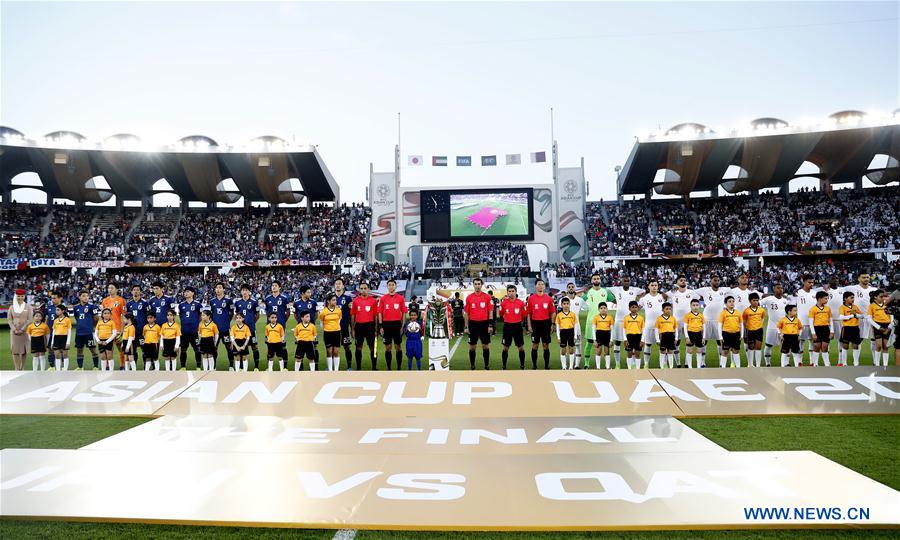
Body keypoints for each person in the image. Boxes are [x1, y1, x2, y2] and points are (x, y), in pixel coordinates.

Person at [609, 276, 644, 366]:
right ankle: (617, 364)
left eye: (628, 281)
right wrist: (614, 300)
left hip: (631, 321)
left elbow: (644, 292)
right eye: (625, 281)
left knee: (631, 342)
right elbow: (605, 291)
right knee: (617, 342)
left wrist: (638, 304)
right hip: (619, 320)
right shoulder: (616, 289)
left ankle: (632, 363)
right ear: (622, 281)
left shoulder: (634, 290)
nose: (626, 282)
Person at [695, 275, 730, 364]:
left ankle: (721, 363)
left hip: (719, 321)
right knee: (704, 341)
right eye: (715, 280)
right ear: (711, 281)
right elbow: (692, 292)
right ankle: (702, 362)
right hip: (706, 320)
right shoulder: (704, 290)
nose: (717, 282)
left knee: (720, 341)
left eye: (718, 280)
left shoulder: (724, 290)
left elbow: (734, 291)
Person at [464, 278, 494, 370]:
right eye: (475, 284)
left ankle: (486, 365)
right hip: (473, 324)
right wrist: (466, 326)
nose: (477, 286)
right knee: (472, 346)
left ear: (482, 285)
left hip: (484, 324)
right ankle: (472, 365)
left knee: (485, 346)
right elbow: (466, 313)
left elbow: (490, 311)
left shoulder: (487, 297)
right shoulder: (469, 297)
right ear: (473, 285)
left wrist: (490, 325)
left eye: (479, 284)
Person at [378, 279, 408, 370]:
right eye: (389, 285)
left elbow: (403, 312)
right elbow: (379, 312)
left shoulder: (401, 298)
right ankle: (389, 368)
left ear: (396, 286)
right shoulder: (383, 298)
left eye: (393, 285)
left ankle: (398, 367)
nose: (391, 286)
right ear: (387, 287)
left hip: (397, 324)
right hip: (386, 325)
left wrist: (402, 326)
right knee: (388, 347)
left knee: (398, 347)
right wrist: (381, 326)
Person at [580, 275, 609, 369]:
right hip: (591, 321)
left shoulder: (605, 291)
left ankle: (606, 365)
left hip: (603, 322)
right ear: (591, 280)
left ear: (600, 280)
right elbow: (580, 301)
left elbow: (615, 300)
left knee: (605, 344)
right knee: (589, 343)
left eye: (598, 278)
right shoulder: (588, 293)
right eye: (594, 279)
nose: (596, 280)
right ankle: (586, 364)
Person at [668, 275, 697, 366]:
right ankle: (678, 363)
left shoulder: (692, 293)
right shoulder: (672, 293)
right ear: (677, 283)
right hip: (676, 322)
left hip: (689, 322)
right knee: (677, 343)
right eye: (681, 280)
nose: (683, 281)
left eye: (684, 280)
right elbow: (662, 295)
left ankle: (687, 363)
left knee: (689, 343)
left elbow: (697, 299)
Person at [526, 279, 554, 369]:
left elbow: (552, 312)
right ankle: (534, 366)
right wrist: (529, 326)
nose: (541, 285)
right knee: (535, 345)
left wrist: (552, 324)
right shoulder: (531, 298)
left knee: (546, 345)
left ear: (544, 286)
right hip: (535, 324)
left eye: (542, 284)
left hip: (546, 323)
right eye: (539, 284)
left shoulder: (549, 299)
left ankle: (546, 366)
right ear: (536, 286)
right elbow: (529, 314)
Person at [350, 281, 379, 370]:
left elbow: (376, 316)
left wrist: (376, 328)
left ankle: (374, 367)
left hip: (370, 326)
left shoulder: (373, 301)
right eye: (361, 288)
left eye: (365, 288)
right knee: (358, 347)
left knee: (372, 347)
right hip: (359, 326)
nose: (363, 290)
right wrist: (352, 329)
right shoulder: (355, 301)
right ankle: (358, 367)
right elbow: (353, 316)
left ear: (368, 289)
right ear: (359, 289)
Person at [761, 284, 790, 368]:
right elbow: (758, 303)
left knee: (785, 345)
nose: (780, 290)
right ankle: (767, 363)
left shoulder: (785, 301)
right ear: (774, 289)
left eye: (781, 288)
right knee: (768, 345)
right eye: (778, 288)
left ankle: (785, 364)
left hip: (783, 328)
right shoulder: (768, 299)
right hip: (771, 327)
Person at [638, 280, 665, 369]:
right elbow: (637, 308)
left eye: (655, 285)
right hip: (649, 325)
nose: (654, 287)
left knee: (662, 345)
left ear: (658, 287)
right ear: (649, 287)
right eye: (652, 285)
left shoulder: (662, 297)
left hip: (661, 326)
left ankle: (663, 364)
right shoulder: (645, 298)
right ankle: (646, 364)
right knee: (648, 344)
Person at [265, 281, 292, 368]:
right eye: (272, 285)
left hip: (280, 325)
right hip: (270, 327)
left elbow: (288, 311)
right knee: (269, 346)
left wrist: (283, 320)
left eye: (276, 286)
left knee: (283, 346)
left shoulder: (284, 298)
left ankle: (285, 367)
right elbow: (266, 311)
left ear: (279, 287)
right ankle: (269, 367)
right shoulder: (267, 298)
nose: (274, 287)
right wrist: (270, 320)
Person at [234, 284, 262, 370]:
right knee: (242, 347)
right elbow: (236, 315)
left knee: (255, 347)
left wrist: (252, 322)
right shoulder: (237, 302)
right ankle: (242, 367)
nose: (244, 292)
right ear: (241, 291)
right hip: (241, 330)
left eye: (246, 290)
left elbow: (257, 315)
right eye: (243, 290)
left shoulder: (254, 302)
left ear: (249, 292)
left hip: (251, 329)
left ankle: (256, 367)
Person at [499, 284, 527, 369]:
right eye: (509, 291)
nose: (511, 293)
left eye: (513, 291)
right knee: (505, 348)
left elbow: (524, 315)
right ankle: (504, 365)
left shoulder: (521, 303)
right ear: (507, 293)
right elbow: (500, 315)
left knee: (521, 348)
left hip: (517, 326)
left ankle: (522, 365)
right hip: (507, 327)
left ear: (516, 292)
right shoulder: (504, 303)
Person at [100, 283, 127, 369]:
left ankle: (122, 365)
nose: (109, 289)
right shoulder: (104, 301)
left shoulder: (121, 300)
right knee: (108, 349)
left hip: (118, 328)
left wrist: (122, 329)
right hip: (107, 329)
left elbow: (123, 316)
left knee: (121, 348)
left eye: (112, 288)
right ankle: (107, 366)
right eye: (108, 288)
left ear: (117, 289)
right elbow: (103, 315)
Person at [209, 282, 235, 370]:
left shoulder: (228, 300)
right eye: (217, 288)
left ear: (223, 289)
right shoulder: (212, 301)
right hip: (215, 330)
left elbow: (232, 313)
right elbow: (211, 314)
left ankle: (231, 366)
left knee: (229, 347)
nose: (218, 289)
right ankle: (214, 366)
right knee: (214, 348)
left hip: (225, 329)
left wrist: (227, 321)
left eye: (220, 287)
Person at [73, 290, 99, 370]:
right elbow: (76, 318)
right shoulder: (76, 307)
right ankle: (80, 367)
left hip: (89, 333)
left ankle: (96, 367)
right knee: (79, 350)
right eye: (83, 296)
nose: (86, 297)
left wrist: (91, 327)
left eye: (87, 296)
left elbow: (96, 318)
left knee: (93, 350)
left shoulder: (92, 307)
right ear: (79, 297)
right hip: (79, 333)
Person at [293, 285, 318, 367]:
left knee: (314, 347)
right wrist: (301, 323)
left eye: (310, 292)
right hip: (301, 329)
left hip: (311, 329)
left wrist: (311, 323)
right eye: (308, 292)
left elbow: (316, 314)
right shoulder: (296, 303)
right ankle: (301, 367)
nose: (310, 293)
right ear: (303, 293)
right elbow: (295, 315)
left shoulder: (314, 302)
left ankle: (315, 366)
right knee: (300, 348)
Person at [178, 286, 203, 369]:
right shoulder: (181, 305)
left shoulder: (198, 304)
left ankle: (198, 367)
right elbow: (181, 316)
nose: (186, 293)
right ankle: (183, 367)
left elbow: (201, 317)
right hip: (184, 332)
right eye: (185, 291)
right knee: (183, 350)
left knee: (197, 349)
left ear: (192, 293)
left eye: (188, 291)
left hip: (194, 332)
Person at [8, 289, 33, 371]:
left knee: (24, 350)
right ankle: (16, 367)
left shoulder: (28, 307)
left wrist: (22, 329)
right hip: (14, 332)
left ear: (24, 296)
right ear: (16, 296)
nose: (20, 298)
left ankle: (22, 367)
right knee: (14, 350)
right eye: (18, 296)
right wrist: (14, 329)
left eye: (22, 296)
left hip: (24, 332)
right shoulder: (11, 307)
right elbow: (9, 320)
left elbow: (30, 320)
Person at [126, 285, 150, 368]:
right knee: (133, 350)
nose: (136, 291)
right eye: (134, 290)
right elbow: (127, 318)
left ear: (140, 292)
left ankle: (145, 367)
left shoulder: (145, 303)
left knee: (145, 350)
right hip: (133, 332)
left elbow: (149, 316)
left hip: (142, 331)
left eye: (137, 290)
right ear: (132, 292)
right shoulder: (129, 304)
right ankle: (134, 368)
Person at [333, 277, 354, 370]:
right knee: (333, 348)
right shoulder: (330, 298)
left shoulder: (348, 298)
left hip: (345, 327)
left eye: (339, 283)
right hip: (333, 328)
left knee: (347, 347)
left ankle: (349, 366)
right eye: (336, 283)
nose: (338, 285)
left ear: (343, 286)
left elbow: (351, 313)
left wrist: (352, 327)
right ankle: (333, 367)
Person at [795, 275, 816, 364]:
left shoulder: (814, 293)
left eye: (812, 282)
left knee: (812, 342)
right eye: (809, 282)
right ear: (804, 282)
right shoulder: (798, 293)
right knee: (801, 342)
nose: (811, 284)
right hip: (801, 322)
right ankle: (800, 361)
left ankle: (812, 362)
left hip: (813, 322)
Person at [563, 283, 586, 367]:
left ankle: (576, 365)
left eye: (572, 287)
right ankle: (565, 365)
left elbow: (587, 308)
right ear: (567, 289)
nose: (571, 288)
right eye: (569, 287)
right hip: (565, 326)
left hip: (577, 326)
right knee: (565, 346)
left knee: (578, 345)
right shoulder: (563, 299)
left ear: (575, 288)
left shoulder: (579, 300)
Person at [838, 291, 863, 367]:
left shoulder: (855, 307)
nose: (853, 299)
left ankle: (856, 363)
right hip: (847, 328)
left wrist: (856, 315)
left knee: (856, 346)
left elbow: (862, 316)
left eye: (853, 297)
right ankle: (844, 363)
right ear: (845, 298)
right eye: (851, 298)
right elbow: (841, 317)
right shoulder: (842, 307)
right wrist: (852, 316)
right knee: (845, 346)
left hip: (855, 328)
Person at [808, 291, 834, 367]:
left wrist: (832, 331)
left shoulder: (828, 308)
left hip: (826, 329)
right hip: (817, 329)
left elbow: (831, 320)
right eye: (825, 298)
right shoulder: (813, 309)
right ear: (819, 299)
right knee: (816, 346)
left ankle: (827, 364)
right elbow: (811, 322)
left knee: (825, 347)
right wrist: (813, 333)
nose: (827, 300)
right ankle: (815, 364)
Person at [868, 290, 892, 367]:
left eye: (884, 296)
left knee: (885, 346)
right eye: (881, 296)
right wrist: (878, 327)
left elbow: (892, 317)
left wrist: (889, 327)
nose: (883, 298)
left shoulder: (887, 305)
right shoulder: (871, 306)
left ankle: (885, 365)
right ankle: (877, 365)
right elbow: (869, 319)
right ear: (875, 297)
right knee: (878, 346)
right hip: (878, 326)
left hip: (887, 326)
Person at [320, 293, 343, 371]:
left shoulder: (338, 310)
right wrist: (327, 328)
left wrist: (335, 327)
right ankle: (330, 369)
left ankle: (336, 370)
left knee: (336, 351)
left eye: (335, 300)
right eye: (333, 300)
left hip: (336, 332)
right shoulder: (323, 311)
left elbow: (339, 320)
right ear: (328, 301)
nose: (335, 301)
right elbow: (321, 322)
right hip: (327, 333)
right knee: (329, 351)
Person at [742, 293, 766, 368]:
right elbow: (744, 321)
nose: (756, 302)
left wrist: (759, 325)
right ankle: (750, 364)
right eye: (754, 300)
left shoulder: (761, 310)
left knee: (758, 348)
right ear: (750, 301)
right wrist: (748, 327)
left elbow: (762, 318)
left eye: (757, 300)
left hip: (759, 330)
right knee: (751, 347)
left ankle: (758, 365)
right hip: (750, 331)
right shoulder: (746, 311)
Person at [718, 296, 742, 368]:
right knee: (725, 351)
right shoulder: (723, 313)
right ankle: (723, 368)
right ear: (725, 303)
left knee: (736, 351)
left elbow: (741, 324)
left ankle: (738, 367)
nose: (732, 303)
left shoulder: (738, 313)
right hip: (726, 334)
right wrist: (720, 336)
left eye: (733, 301)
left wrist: (742, 335)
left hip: (736, 334)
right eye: (729, 301)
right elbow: (719, 325)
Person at [555, 297, 578, 369]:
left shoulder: (573, 314)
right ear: (561, 305)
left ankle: (571, 366)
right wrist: (558, 337)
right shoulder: (559, 315)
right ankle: (564, 366)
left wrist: (575, 336)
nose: (566, 305)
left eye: (567, 304)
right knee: (563, 350)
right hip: (563, 332)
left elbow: (575, 325)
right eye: (564, 304)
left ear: (570, 304)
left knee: (571, 349)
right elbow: (557, 327)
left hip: (571, 331)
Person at [683, 299, 705, 368]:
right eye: (693, 305)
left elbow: (704, 327)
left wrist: (703, 337)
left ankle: (698, 367)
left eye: (697, 305)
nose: (695, 307)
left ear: (699, 306)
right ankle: (690, 367)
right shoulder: (687, 315)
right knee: (689, 351)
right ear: (690, 306)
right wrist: (687, 337)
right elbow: (685, 326)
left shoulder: (701, 315)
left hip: (699, 334)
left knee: (699, 351)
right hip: (690, 334)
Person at [654, 302, 677, 369]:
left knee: (670, 351)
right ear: (662, 310)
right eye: (666, 309)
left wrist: (676, 338)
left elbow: (676, 328)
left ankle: (671, 367)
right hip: (663, 336)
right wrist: (657, 339)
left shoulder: (673, 318)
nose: (668, 310)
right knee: (662, 351)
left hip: (671, 336)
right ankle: (661, 366)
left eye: (670, 309)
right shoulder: (659, 318)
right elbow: (656, 329)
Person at [622, 301, 644, 369]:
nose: (634, 309)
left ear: (637, 308)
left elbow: (643, 329)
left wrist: (642, 340)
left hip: (638, 336)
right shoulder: (626, 318)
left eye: (635, 307)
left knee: (637, 353)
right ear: (629, 308)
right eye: (632, 307)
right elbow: (624, 329)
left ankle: (638, 369)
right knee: (629, 353)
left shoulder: (640, 318)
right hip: (629, 337)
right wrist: (625, 339)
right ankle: (629, 368)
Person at [49, 304, 72, 371]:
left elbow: (69, 331)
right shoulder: (55, 320)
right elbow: (53, 331)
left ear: (63, 311)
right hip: (56, 338)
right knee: (57, 355)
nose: (56, 311)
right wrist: (52, 342)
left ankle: (65, 370)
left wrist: (68, 342)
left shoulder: (67, 320)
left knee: (65, 355)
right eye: (56, 310)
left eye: (58, 310)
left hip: (64, 337)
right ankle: (58, 370)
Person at [591, 302, 613, 369]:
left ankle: (608, 367)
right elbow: (593, 329)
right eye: (601, 308)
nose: (603, 309)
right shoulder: (596, 317)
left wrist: (611, 340)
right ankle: (598, 367)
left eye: (604, 308)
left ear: (607, 309)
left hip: (607, 335)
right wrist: (594, 340)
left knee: (607, 351)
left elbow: (612, 329)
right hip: (599, 334)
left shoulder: (610, 318)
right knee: (598, 350)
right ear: (599, 309)